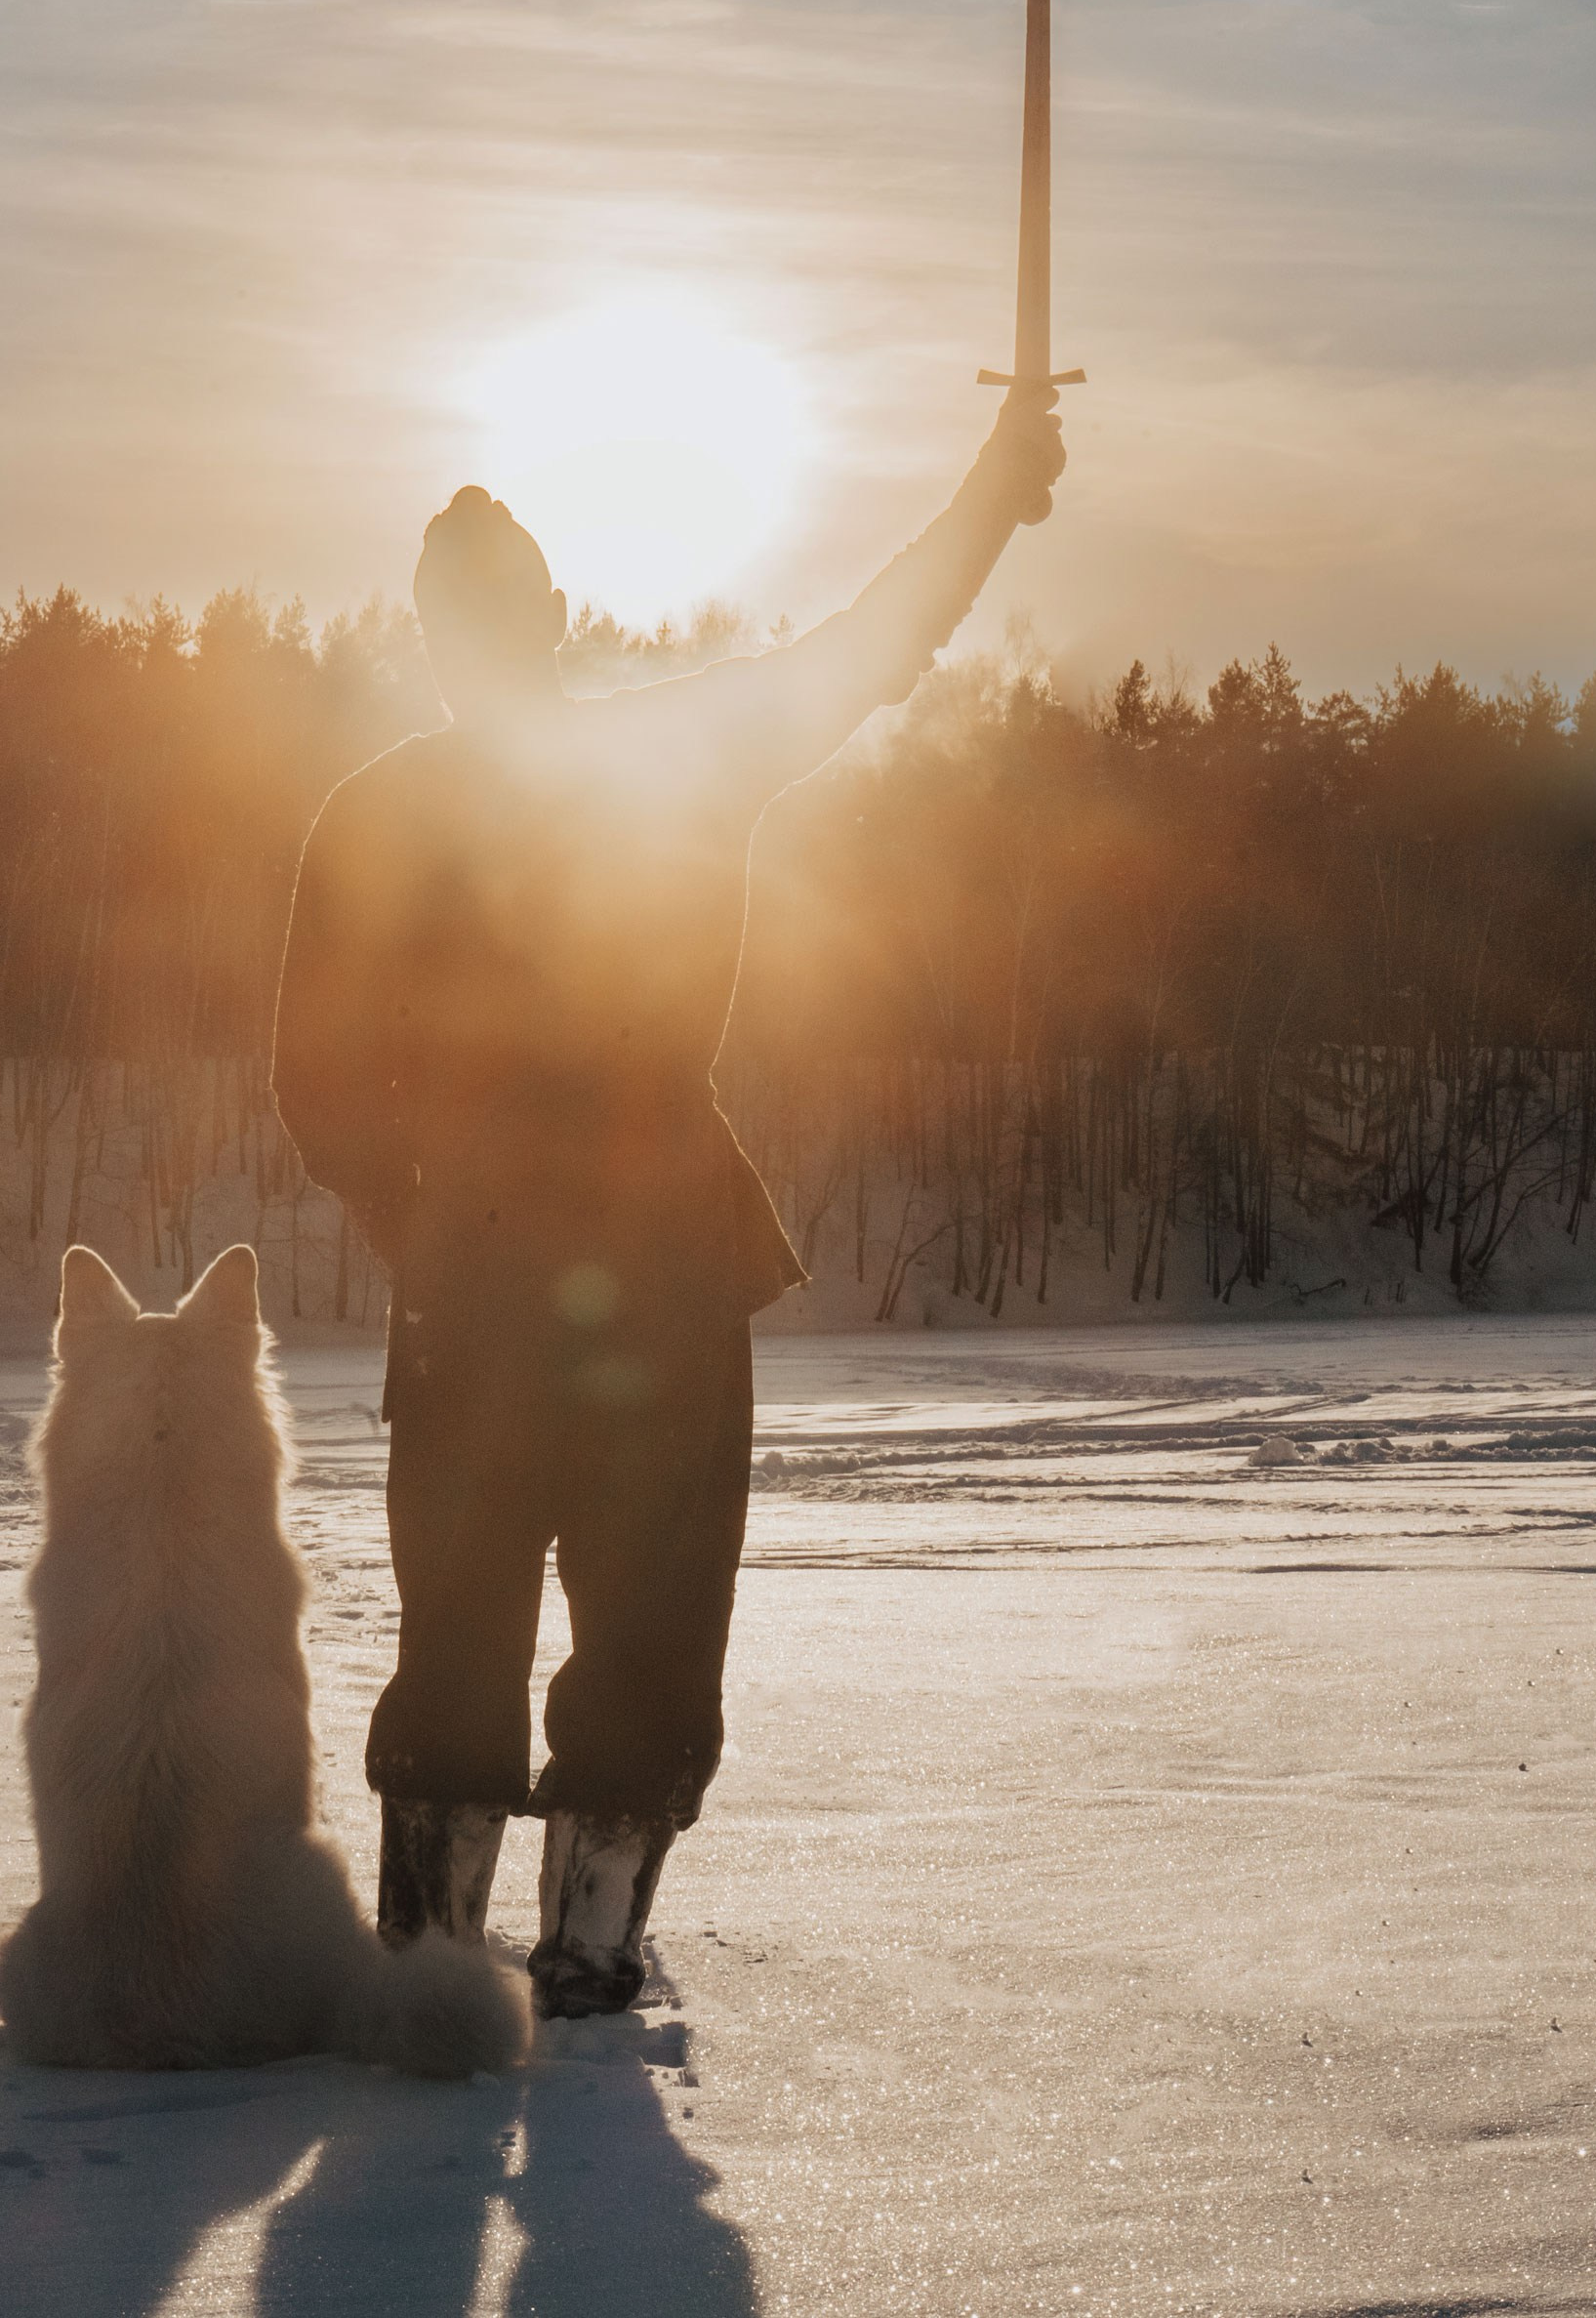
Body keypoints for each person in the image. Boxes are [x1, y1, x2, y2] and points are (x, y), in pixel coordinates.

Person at [270, 393, 1066, 2018]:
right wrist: (992, 491)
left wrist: (417, 1213)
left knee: (507, 1619)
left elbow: (322, 1088)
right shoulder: (650, 755)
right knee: (613, 1620)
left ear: (463, 635)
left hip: (528, 1271)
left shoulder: (393, 809)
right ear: (538, 626)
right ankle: (582, 1948)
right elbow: (870, 646)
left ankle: (447, 1959)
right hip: (625, 1267)